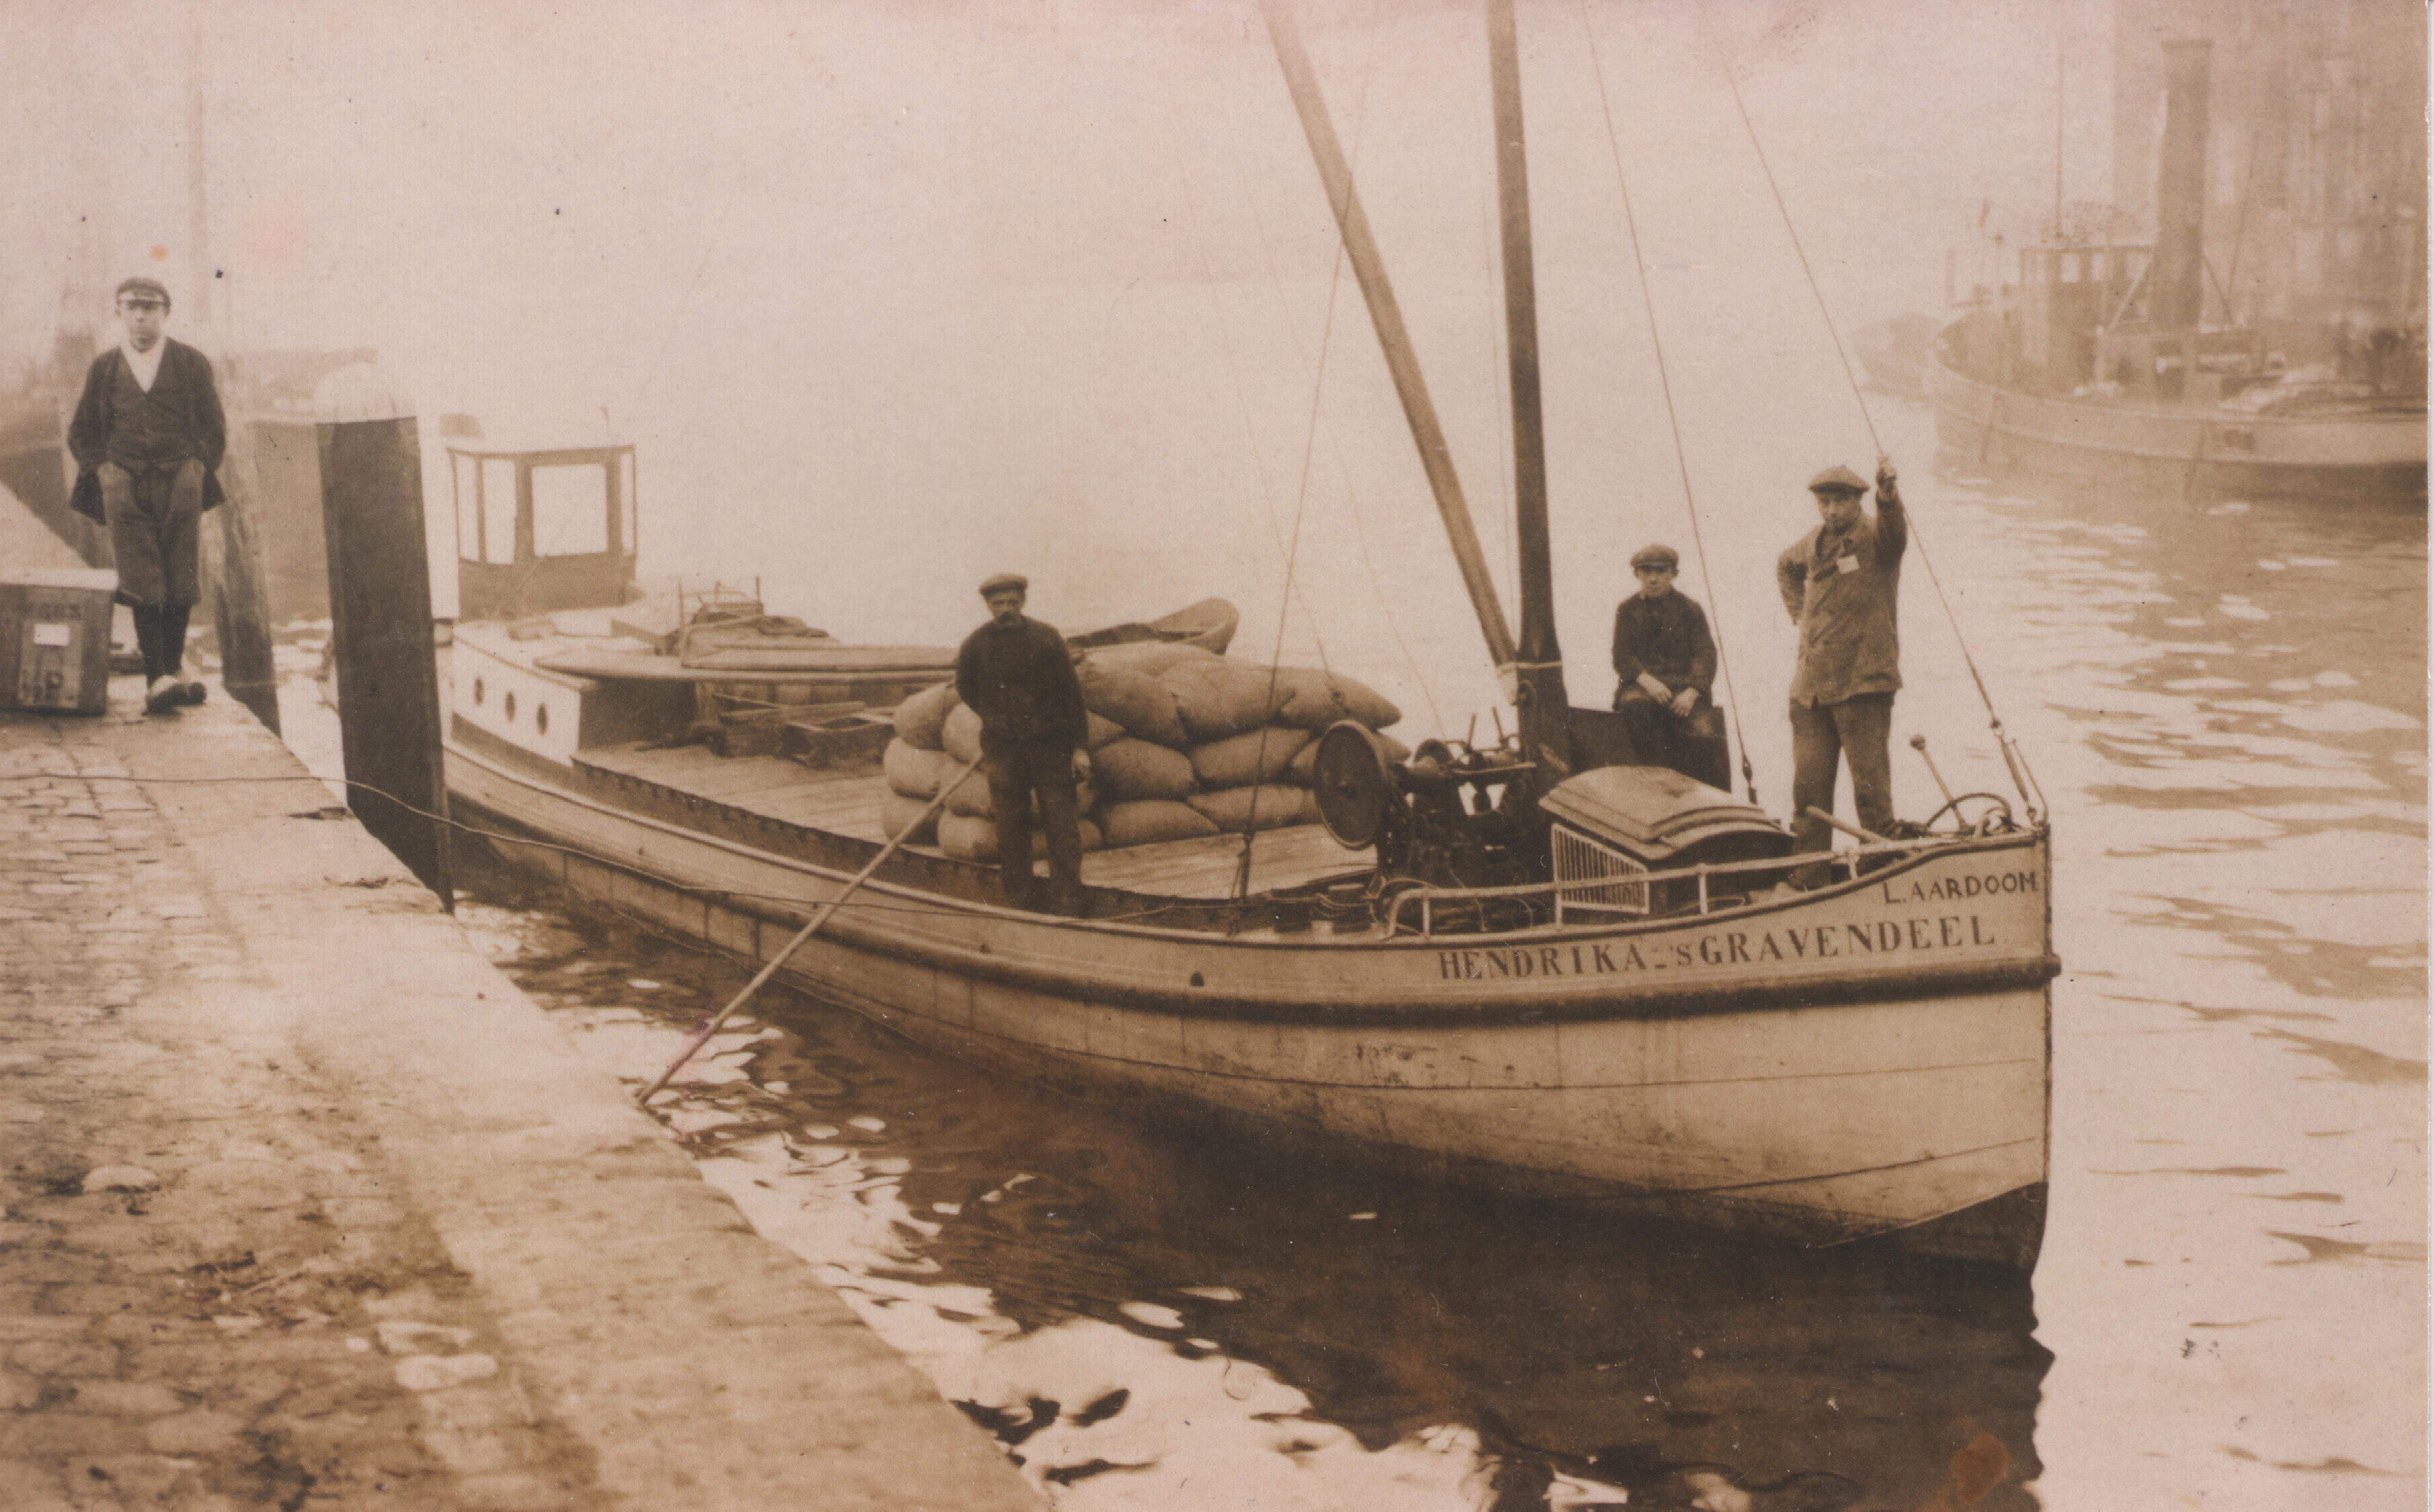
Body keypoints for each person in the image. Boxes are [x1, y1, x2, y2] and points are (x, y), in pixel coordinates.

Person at [67, 277, 227, 715]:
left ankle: (170, 671)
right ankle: (157, 677)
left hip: (181, 479)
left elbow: (214, 430)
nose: (141, 317)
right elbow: (81, 432)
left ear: (165, 314)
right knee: (140, 578)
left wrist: (197, 468)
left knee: (180, 572)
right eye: (132, 308)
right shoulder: (104, 368)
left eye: (150, 308)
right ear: (119, 314)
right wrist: (104, 471)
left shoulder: (191, 363)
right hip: (125, 482)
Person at [1777, 459, 1908, 882]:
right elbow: (1786, 566)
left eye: (1839, 503)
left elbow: (1895, 532)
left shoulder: (1875, 538)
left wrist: (1888, 495)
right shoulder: (1813, 542)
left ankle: (1879, 874)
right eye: (1824, 503)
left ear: (1857, 502)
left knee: (1871, 792)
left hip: (1861, 684)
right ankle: (1808, 876)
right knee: (1809, 793)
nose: (1830, 512)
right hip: (1810, 691)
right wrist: (1798, 613)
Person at [954, 573, 1089, 915]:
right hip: (1004, 751)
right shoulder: (976, 644)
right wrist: (995, 716)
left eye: (1012, 602)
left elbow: (1072, 695)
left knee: (1063, 829)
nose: (1006, 610)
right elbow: (966, 688)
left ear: (1023, 602)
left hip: (1051, 748)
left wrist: (1079, 747)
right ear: (988, 606)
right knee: (1011, 833)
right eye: (998, 603)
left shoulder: (1047, 638)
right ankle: (1020, 905)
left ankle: (1068, 904)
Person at [1610, 543, 1728, 789]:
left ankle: (1704, 799)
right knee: (1636, 707)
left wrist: (1693, 692)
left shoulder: (1690, 610)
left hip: (1684, 689)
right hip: (1642, 686)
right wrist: (1647, 681)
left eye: (1661, 571)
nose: (1653, 579)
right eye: (1646, 572)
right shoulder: (1627, 609)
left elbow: (1705, 654)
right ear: (1637, 575)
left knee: (1704, 735)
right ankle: (1656, 787)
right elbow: (1622, 655)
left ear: (1674, 574)